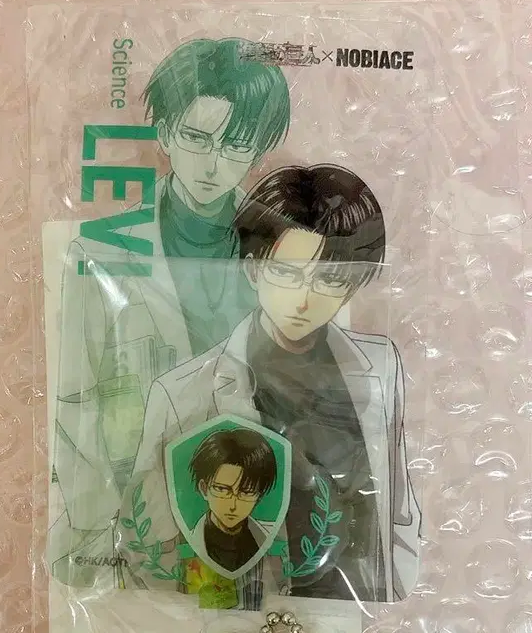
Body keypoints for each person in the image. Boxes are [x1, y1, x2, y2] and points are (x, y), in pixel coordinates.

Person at [48, 38, 291, 586]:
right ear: (163, 134)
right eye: (196, 137)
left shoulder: (290, 254)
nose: (213, 164)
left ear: (258, 151)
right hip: (133, 524)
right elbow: (75, 403)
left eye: (236, 145)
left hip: (258, 514)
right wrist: (98, 535)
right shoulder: (100, 253)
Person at [123, 164, 421, 604]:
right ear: (253, 269)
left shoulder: (380, 363)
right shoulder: (182, 390)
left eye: (330, 279)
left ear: (353, 284)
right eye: (285, 272)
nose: (304, 299)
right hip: (243, 605)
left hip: (357, 600)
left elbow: (397, 502)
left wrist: (397, 591)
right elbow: (147, 528)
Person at [184, 427, 279, 576]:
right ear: (204, 489)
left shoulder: (272, 538)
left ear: (259, 497)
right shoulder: (183, 542)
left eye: (246, 492)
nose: (233, 505)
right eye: (222, 489)